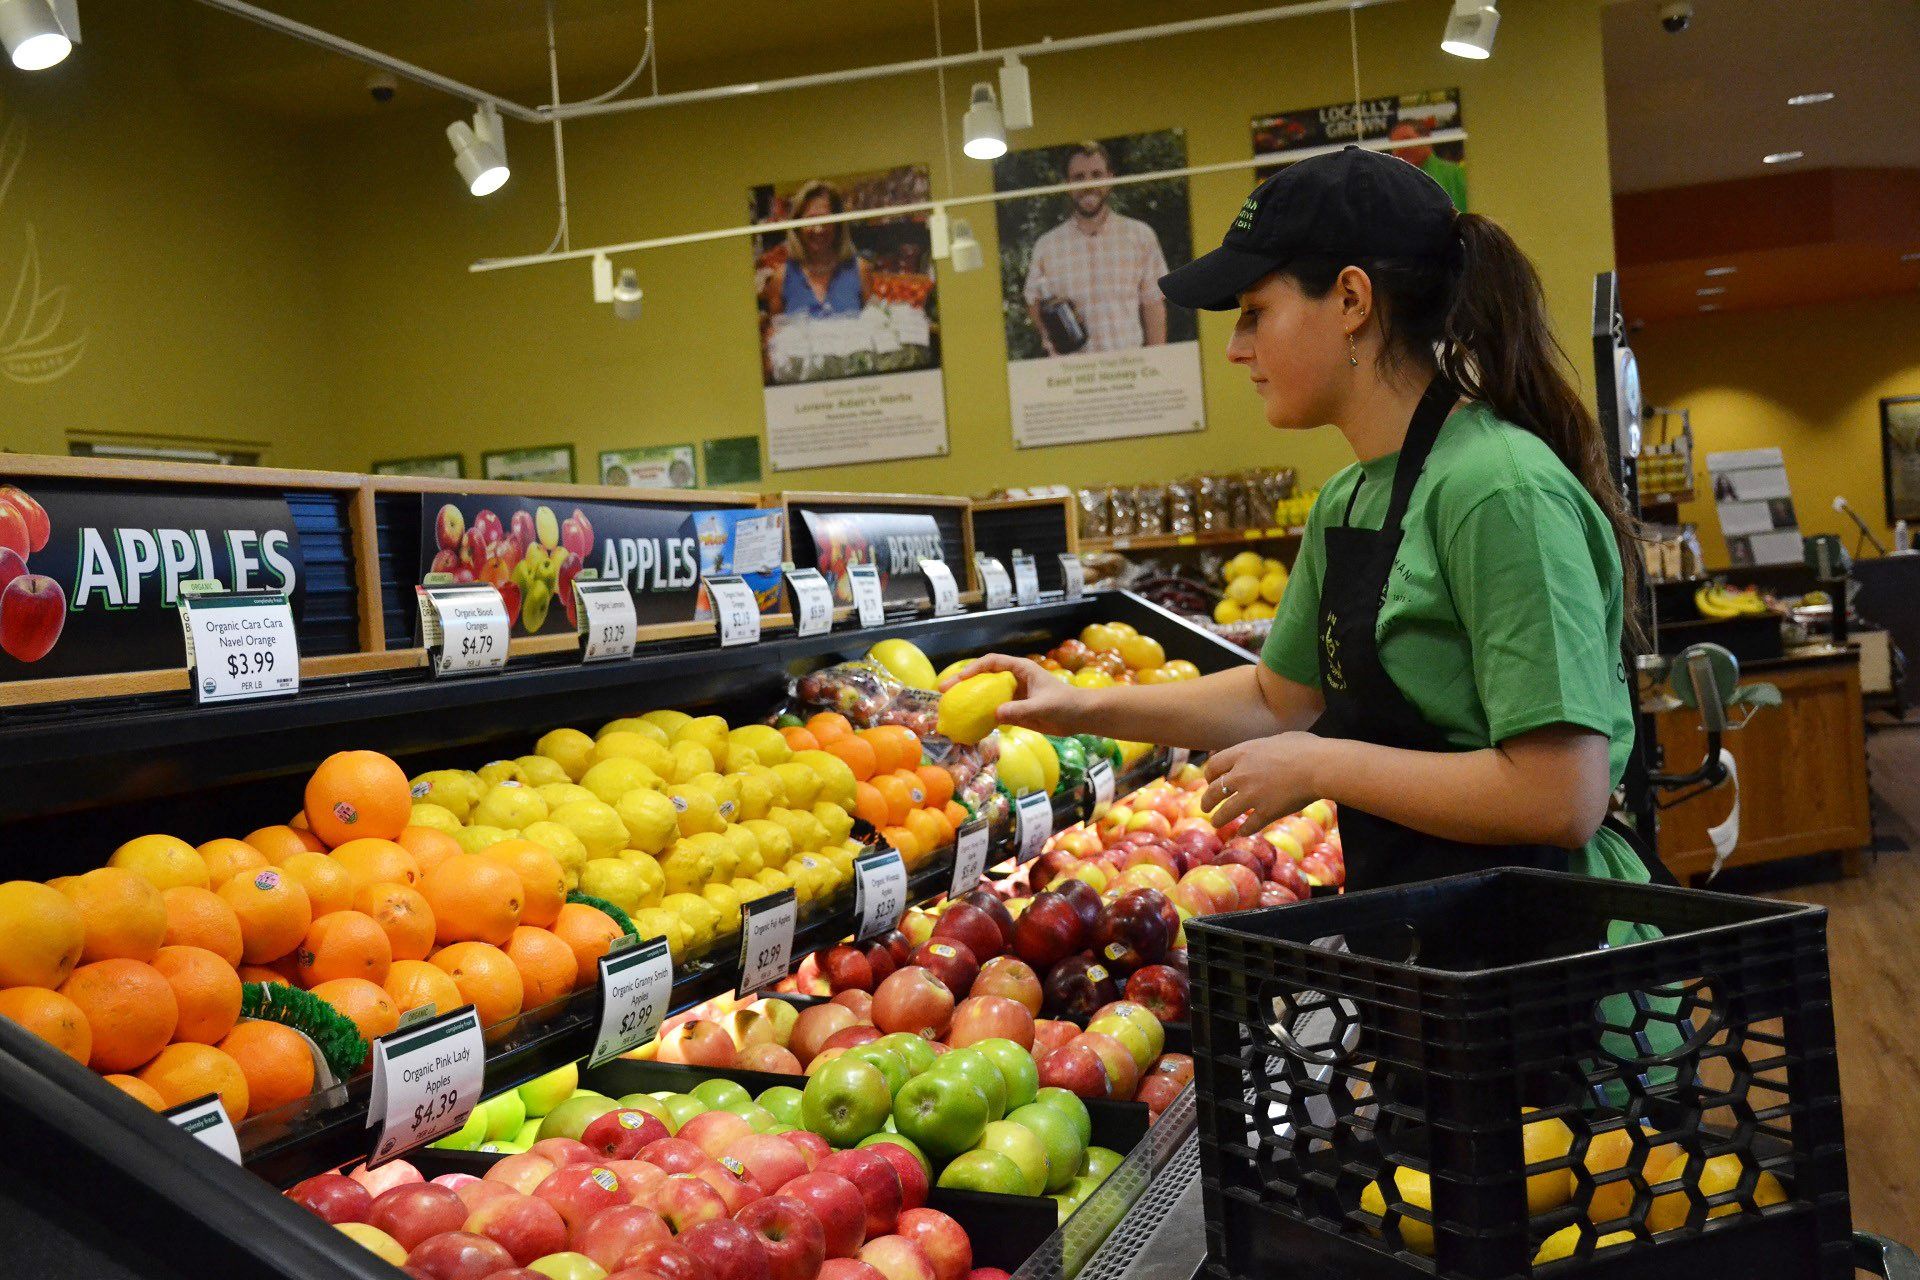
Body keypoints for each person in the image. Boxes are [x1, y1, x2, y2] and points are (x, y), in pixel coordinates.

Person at [958, 145, 1670, 895]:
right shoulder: (1349, 500)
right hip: (1431, 938)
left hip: (1551, 958)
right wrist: (1075, 707)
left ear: (1353, 301)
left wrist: (1322, 761)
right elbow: (1278, 699)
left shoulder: (1499, 493)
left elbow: (1560, 797)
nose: (1236, 349)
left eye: (1255, 313)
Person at [1022, 141, 1169, 356]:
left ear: (1110, 179)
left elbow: (1153, 306)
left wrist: (1157, 363)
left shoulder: (1139, 236)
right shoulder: (1047, 245)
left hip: (1129, 370)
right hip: (1072, 376)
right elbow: (1032, 300)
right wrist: (1052, 337)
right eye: (1079, 177)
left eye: (1096, 175)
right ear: (1066, 184)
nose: (1088, 184)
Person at [764, 179, 874, 321]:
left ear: (838, 224)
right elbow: (775, 337)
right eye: (811, 220)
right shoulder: (781, 278)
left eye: (826, 220)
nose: (818, 229)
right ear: (797, 226)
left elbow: (875, 330)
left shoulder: (860, 270)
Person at [1389, 119, 1468, 212]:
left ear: (1427, 139)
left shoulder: (1456, 174)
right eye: (1395, 145)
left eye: (1406, 140)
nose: (1400, 149)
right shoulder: (1389, 181)